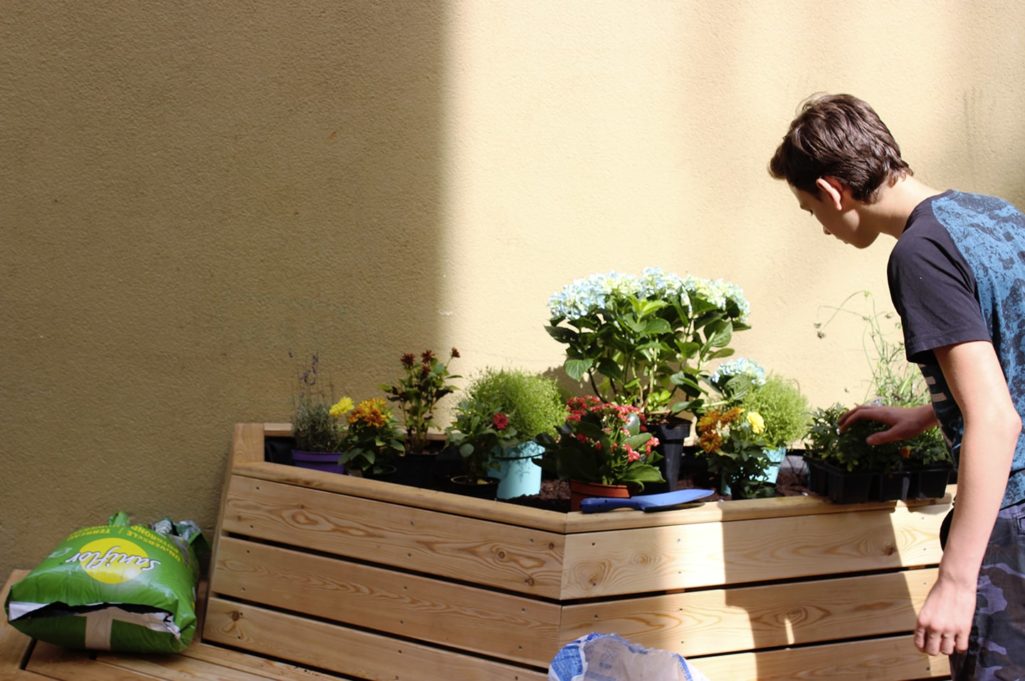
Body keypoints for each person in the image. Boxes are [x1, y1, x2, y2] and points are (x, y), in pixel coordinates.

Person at [769, 93, 1025, 679]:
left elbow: (998, 418)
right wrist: (937, 409)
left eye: (812, 211)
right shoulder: (995, 214)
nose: (824, 228)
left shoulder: (919, 254)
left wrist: (957, 582)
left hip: (1012, 520)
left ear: (834, 191)